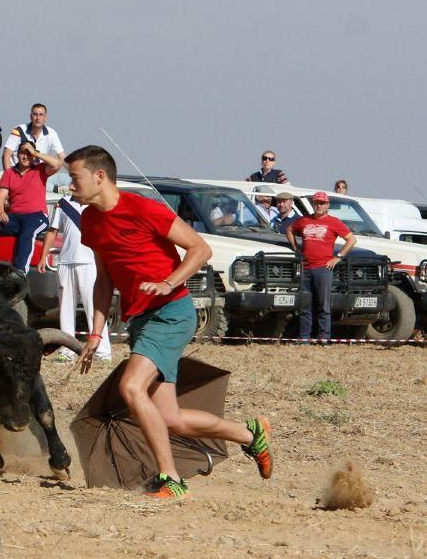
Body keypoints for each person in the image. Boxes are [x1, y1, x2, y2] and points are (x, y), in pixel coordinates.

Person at [66, 144, 273, 499]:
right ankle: (249, 433)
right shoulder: (90, 221)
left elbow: (200, 249)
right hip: (141, 321)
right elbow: (104, 280)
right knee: (171, 419)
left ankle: (171, 479)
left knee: (131, 388)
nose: (70, 186)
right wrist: (96, 333)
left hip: (172, 312)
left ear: (99, 176)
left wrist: (168, 282)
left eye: (75, 178)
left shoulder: (144, 208)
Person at [37, 194, 113, 364]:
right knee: (65, 308)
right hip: (65, 261)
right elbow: (52, 231)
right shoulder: (63, 203)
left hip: (90, 261)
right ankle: (67, 350)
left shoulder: (96, 202)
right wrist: (43, 257)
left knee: (94, 306)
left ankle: (102, 351)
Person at [287, 191, 356, 343]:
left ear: (327, 205)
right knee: (305, 305)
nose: (319, 205)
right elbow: (290, 230)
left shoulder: (334, 222)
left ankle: (324, 337)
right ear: (313, 204)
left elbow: (351, 240)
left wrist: (338, 257)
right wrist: (295, 247)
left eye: (322, 203)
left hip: (323, 268)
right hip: (305, 268)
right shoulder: (304, 220)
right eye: (316, 202)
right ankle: (304, 338)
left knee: (323, 305)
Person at [0, 140, 62, 273]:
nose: (25, 156)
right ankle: (23, 234)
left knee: (27, 232)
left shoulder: (40, 169)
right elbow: (0, 196)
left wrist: (35, 152)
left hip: (36, 216)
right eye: (22, 153)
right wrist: (1, 211)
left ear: (33, 155)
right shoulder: (9, 173)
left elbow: (58, 163)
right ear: (17, 155)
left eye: (28, 153)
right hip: (15, 216)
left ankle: (20, 272)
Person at [0, 103, 66, 192]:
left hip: (37, 175)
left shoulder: (52, 133)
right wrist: (10, 179)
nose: (38, 118)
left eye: (41, 115)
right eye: (35, 114)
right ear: (31, 117)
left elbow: (63, 158)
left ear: (45, 117)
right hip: (17, 173)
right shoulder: (19, 130)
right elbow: (6, 156)